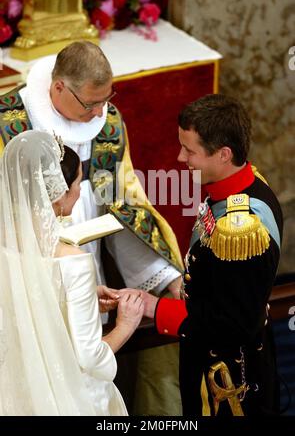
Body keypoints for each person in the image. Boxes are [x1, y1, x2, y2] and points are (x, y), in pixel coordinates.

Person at [0, 41, 183, 415]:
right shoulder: (8, 123)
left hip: (84, 264)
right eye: (90, 104)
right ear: (58, 88)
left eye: (107, 99)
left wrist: (162, 276)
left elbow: (123, 204)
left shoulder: (107, 121)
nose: (101, 111)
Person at [142, 94, 283, 416]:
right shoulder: (242, 186)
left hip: (229, 378)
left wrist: (158, 309)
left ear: (223, 154)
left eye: (190, 150)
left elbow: (234, 325)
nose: (180, 157)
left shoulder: (241, 228)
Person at [0, 130, 144, 416]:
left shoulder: (6, 246)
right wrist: (125, 325)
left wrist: (84, 297)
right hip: (68, 398)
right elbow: (90, 358)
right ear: (58, 194)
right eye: (79, 182)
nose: (81, 191)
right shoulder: (73, 262)